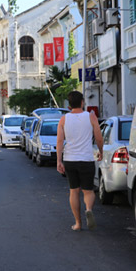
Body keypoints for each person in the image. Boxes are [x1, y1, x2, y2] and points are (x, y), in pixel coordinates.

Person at [56, 91, 103, 231]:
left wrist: (59, 160)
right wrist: (101, 151)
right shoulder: (91, 117)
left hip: (70, 159)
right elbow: (99, 137)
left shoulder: (63, 119)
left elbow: (59, 141)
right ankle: (88, 209)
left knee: (74, 191)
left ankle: (78, 223)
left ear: (69, 105)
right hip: (86, 159)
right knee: (88, 191)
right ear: (82, 102)